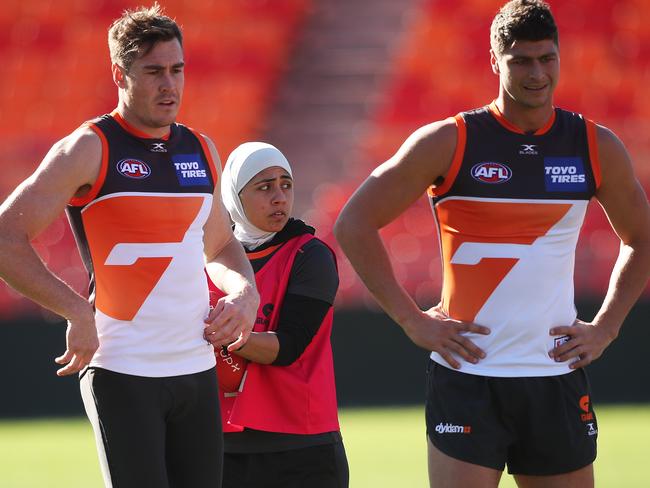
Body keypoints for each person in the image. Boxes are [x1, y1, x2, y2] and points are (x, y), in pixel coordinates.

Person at [334, 1, 650, 487]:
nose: (537, 73)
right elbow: (354, 223)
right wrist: (410, 319)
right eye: (521, 60)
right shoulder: (449, 141)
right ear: (494, 61)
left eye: (547, 58)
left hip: (553, 378)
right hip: (468, 379)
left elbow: (643, 238)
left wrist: (606, 327)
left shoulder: (593, 145)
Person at [0, 5, 259, 488]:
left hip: (197, 368)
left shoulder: (201, 149)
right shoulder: (88, 148)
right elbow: (5, 237)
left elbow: (221, 246)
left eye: (177, 70)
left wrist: (246, 293)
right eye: (154, 71)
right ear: (119, 74)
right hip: (122, 369)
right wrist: (76, 311)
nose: (170, 85)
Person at [206, 142, 349, 488]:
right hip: (218, 444)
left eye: (286, 184)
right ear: (234, 196)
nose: (280, 197)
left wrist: (225, 334)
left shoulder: (310, 255)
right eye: (264, 186)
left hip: (302, 446)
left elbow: (287, 347)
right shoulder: (207, 258)